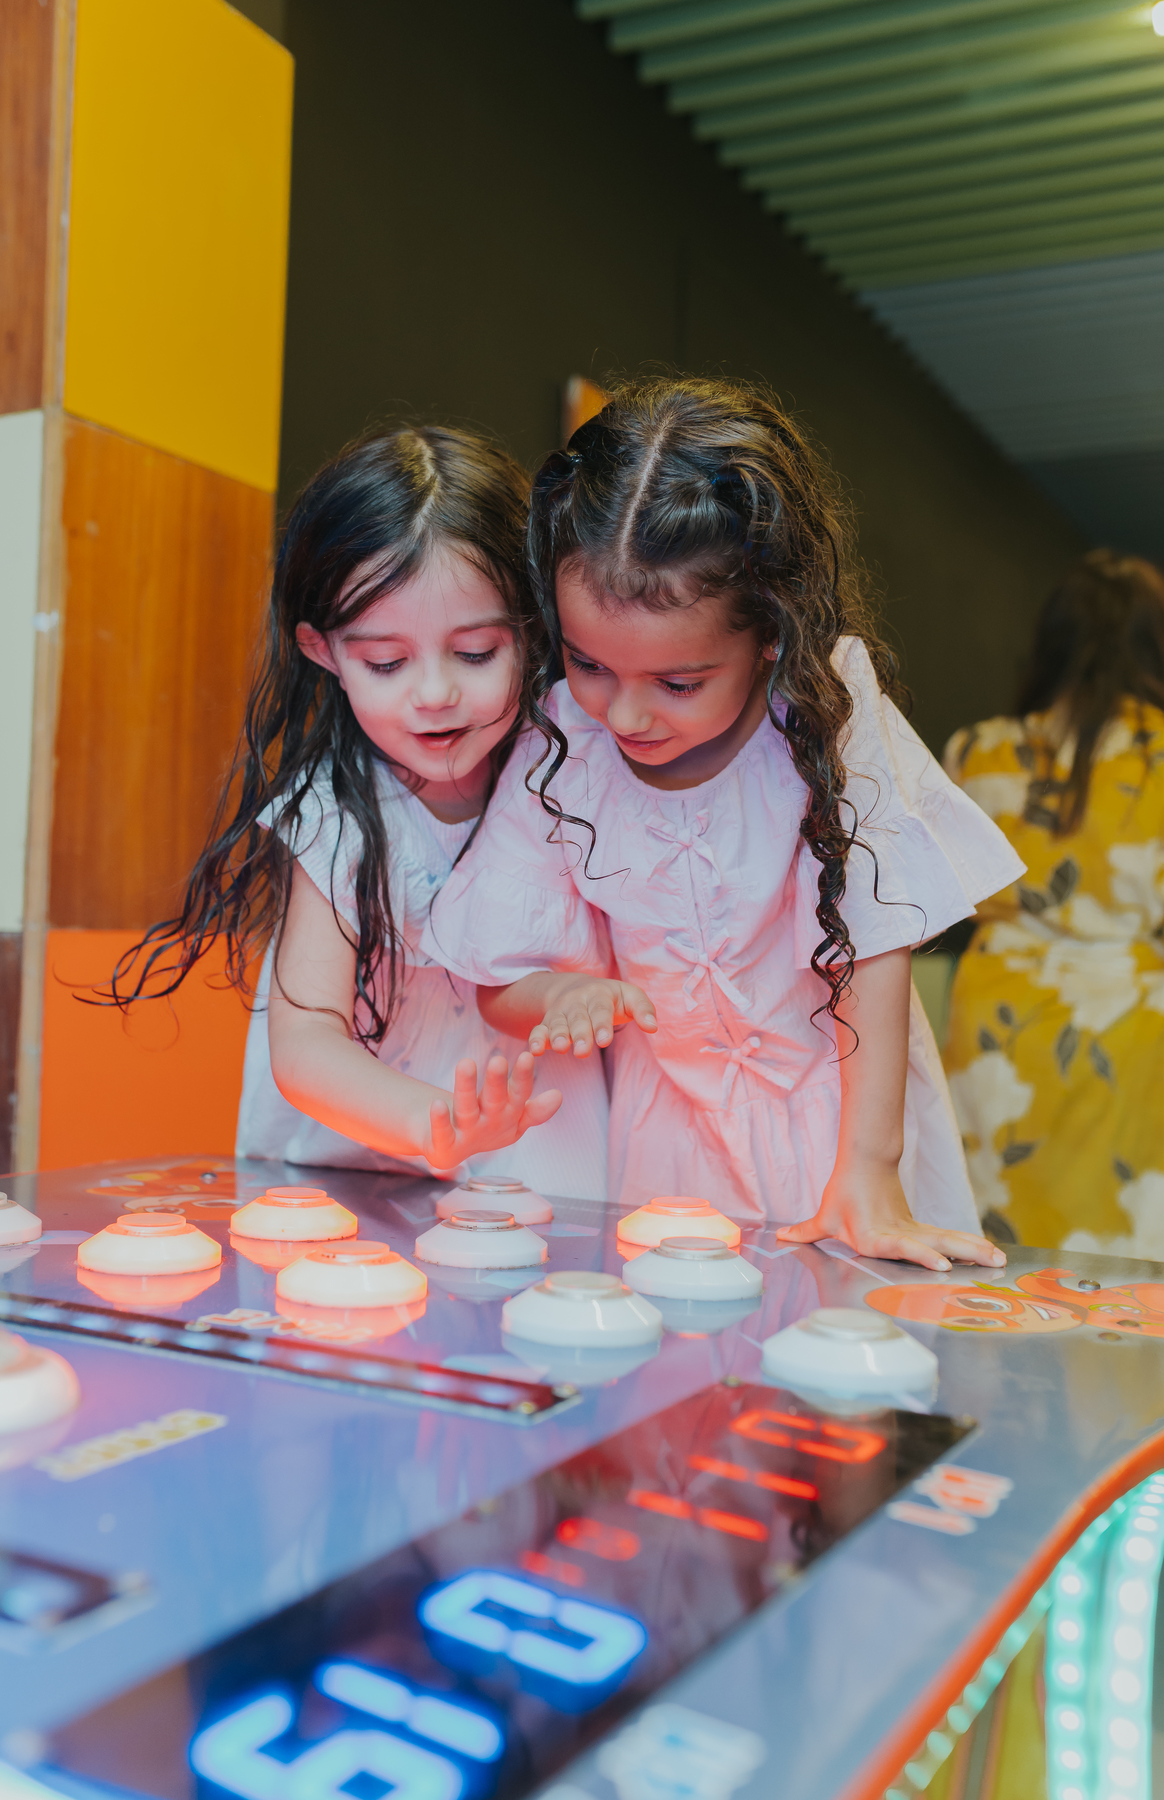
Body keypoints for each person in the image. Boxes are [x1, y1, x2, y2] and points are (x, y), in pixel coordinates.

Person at [428, 377, 1022, 1271]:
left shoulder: (825, 711)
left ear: (772, 632)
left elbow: (876, 942)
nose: (624, 715)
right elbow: (493, 973)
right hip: (670, 1145)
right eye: (590, 663)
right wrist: (554, 999)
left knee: (844, 1370)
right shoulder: (565, 742)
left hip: (846, 1120)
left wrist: (870, 1165)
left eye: (677, 683)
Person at [111, 426, 608, 1196]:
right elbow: (307, 1041)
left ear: (531, 630)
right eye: (386, 662)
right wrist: (432, 1123)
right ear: (323, 650)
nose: (436, 693)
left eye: (476, 653)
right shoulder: (336, 815)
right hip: (355, 1177)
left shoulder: (568, 779)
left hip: (531, 1160)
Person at [942, 550, 1164, 1254]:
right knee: (1120, 1238)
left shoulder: (978, 750)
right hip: (1129, 1026)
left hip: (995, 1020)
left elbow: (940, 895)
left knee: (989, 1220)